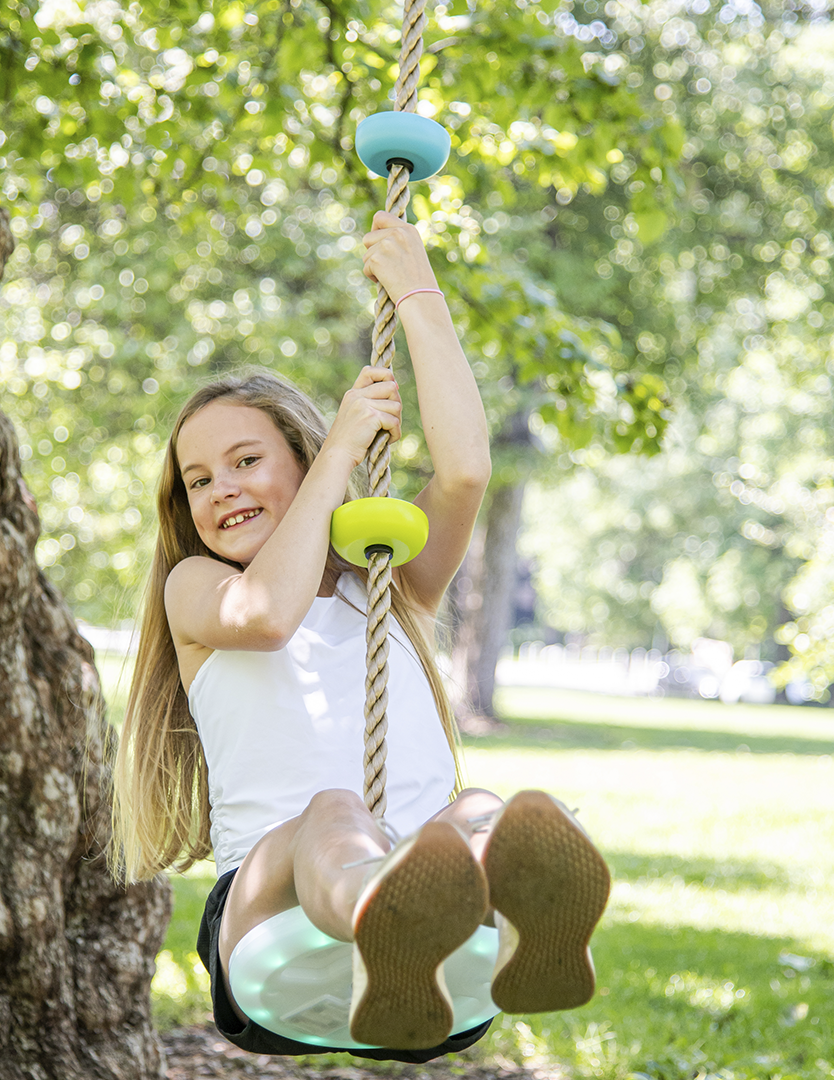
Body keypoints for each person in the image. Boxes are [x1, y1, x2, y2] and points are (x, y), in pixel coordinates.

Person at [110, 210, 611, 1062]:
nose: (220, 489)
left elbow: (465, 472)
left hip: (438, 965)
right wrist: (345, 441)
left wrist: (418, 292)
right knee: (335, 813)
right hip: (266, 921)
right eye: (198, 479)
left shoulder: (382, 585)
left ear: (303, 464)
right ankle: (386, 913)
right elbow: (264, 617)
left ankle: (516, 925)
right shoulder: (195, 589)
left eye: (245, 461)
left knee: (483, 810)